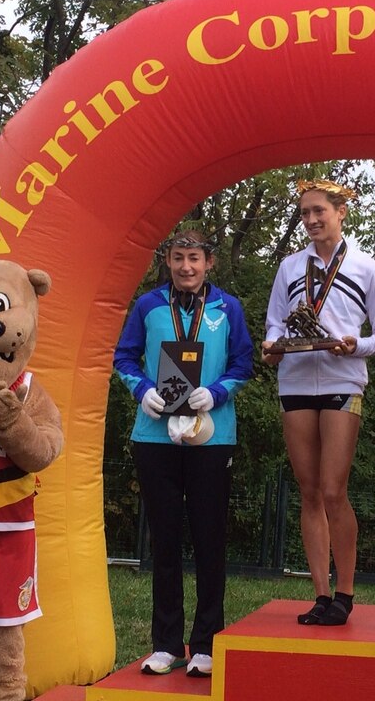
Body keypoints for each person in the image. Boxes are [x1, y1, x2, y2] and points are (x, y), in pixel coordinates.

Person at [114, 230, 254, 678]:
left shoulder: (227, 307)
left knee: (210, 538)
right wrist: (141, 390)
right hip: (155, 436)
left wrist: (216, 392)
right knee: (165, 539)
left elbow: (244, 364)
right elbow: (123, 358)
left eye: (194, 258)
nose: (186, 267)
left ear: (209, 262)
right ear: (168, 262)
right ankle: (166, 644)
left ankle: (207, 643)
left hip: (211, 436)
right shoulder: (148, 305)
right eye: (178, 258)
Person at [262, 179, 375, 626]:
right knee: (309, 490)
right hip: (294, 379)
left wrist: (354, 346)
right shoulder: (290, 266)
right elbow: (275, 323)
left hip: (342, 379)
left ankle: (346, 593)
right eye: (305, 213)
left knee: (334, 490)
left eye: (320, 211)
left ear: (341, 212)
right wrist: (273, 345)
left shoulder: (367, 268)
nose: (312, 220)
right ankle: (319, 594)